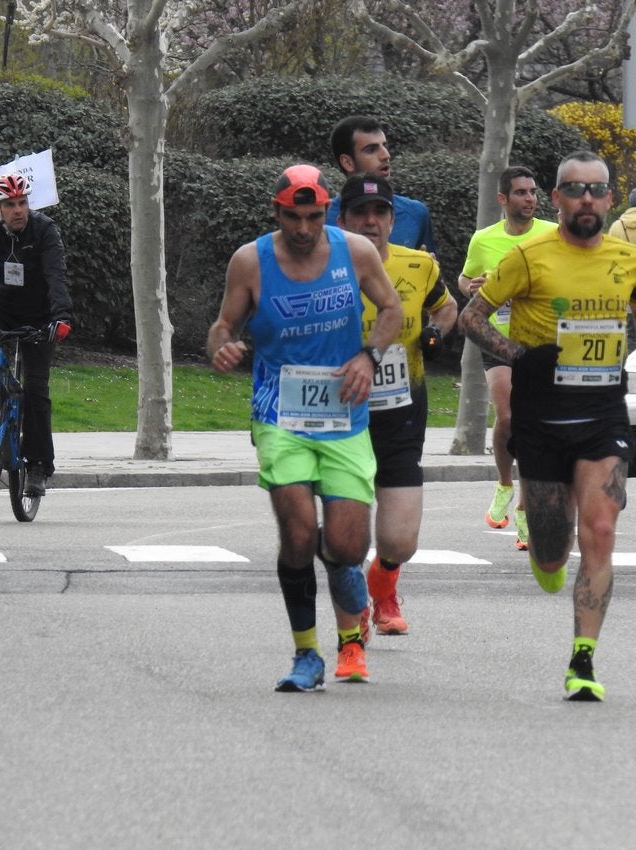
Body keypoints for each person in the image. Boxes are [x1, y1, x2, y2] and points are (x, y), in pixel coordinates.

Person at [458, 150, 636, 702]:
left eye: (597, 190)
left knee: (599, 530)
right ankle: (548, 551)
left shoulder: (627, 258)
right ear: (557, 199)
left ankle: (583, 659)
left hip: (602, 414)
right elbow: (471, 316)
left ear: (609, 198)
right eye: (574, 190)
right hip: (542, 416)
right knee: (552, 552)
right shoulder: (528, 255)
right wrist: (519, 354)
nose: (587, 200)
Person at [207, 164, 403, 691]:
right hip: (279, 416)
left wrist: (369, 356)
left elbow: (391, 309)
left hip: (344, 416)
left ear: (326, 214)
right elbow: (223, 325)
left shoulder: (355, 252)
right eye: (294, 218)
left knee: (344, 545)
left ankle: (335, 560)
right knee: (295, 533)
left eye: (314, 217)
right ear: (277, 212)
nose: (303, 229)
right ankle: (306, 655)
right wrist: (221, 346)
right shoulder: (251, 261)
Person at [338, 173, 458, 638]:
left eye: (380, 213)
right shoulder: (323, 266)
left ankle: (383, 581)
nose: (371, 222)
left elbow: (445, 308)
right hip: (341, 414)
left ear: (392, 218)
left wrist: (435, 333)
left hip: (402, 412)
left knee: (400, 540)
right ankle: (358, 611)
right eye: (360, 214)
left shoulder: (418, 266)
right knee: (346, 531)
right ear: (343, 219)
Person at [459, 166, 558, 550]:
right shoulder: (484, 240)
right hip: (497, 337)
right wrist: (475, 286)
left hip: (538, 339)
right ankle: (504, 482)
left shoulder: (551, 234)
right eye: (520, 193)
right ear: (503, 199)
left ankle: (524, 509)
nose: (530, 198)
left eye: (533, 192)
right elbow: (465, 280)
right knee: (508, 416)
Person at [0, 172, 73, 498]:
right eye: (10, 204)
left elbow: (57, 276)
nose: (18, 210)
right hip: (1, 306)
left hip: (39, 315)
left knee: (36, 390)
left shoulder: (44, 230)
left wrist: (61, 317)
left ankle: (38, 465)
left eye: (22, 202)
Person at [328, 115, 436, 252]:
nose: (386, 155)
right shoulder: (322, 218)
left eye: (384, 146)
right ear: (347, 162)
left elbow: (428, 269)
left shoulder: (415, 213)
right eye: (371, 150)